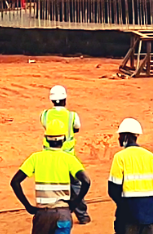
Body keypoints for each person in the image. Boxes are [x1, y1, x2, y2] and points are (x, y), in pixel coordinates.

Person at [11, 118, 91, 234]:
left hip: (42, 215)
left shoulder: (35, 158)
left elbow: (15, 182)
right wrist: (75, 202)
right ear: (63, 139)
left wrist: (28, 206)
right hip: (62, 214)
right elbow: (86, 181)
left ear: (46, 139)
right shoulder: (69, 159)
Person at [40, 86, 88, 224]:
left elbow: (47, 127)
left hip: (48, 157)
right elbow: (76, 128)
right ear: (65, 99)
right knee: (76, 185)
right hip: (68, 157)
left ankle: (51, 214)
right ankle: (82, 215)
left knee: (52, 186)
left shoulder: (45, 115)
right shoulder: (72, 116)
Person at [108, 118, 153, 234]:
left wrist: (122, 207)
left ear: (126, 136)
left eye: (120, 135)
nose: (119, 138)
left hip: (129, 215)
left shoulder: (120, 157)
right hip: (149, 213)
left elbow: (113, 189)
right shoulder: (150, 156)